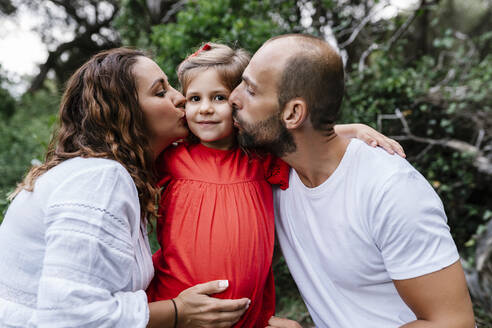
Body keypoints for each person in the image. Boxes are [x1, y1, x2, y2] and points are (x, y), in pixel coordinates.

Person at [145, 42, 403, 328]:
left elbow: (299, 133)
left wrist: (351, 130)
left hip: (248, 316)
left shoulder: (259, 159)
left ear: (238, 103)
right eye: (194, 99)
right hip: (181, 309)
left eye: (218, 97)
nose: (205, 109)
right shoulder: (172, 158)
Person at [230, 34, 476, 328]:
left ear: (294, 113)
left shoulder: (391, 189)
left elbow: (452, 323)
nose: (233, 97)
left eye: (251, 91)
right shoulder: (272, 172)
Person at [0, 48, 251, 328]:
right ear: (125, 112)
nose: (180, 98)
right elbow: (70, 317)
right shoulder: (99, 180)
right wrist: (178, 312)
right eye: (160, 92)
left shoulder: (106, 174)